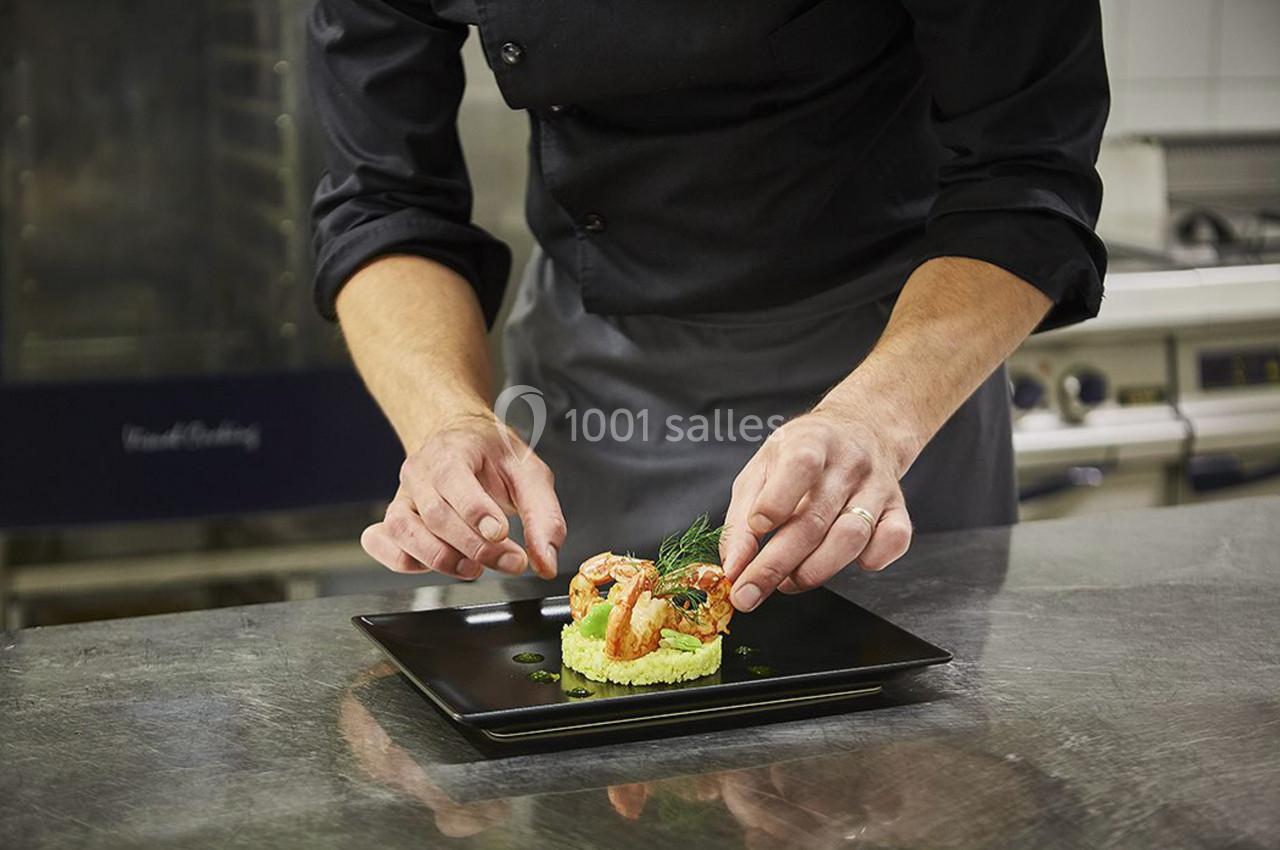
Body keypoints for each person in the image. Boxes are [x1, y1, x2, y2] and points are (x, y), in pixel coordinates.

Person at [307, 0, 1108, 612]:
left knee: (891, 790)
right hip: (592, 399)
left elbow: (1026, 171)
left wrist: (875, 421)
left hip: (892, 374)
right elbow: (383, 200)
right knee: (597, 785)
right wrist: (448, 422)